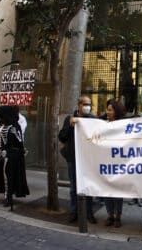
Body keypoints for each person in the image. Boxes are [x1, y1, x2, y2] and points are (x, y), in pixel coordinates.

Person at [58, 95, 98, 224]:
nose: (88, 107)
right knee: (74, 188)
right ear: (79, 105)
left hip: (88, 159)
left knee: (89, 186)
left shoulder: (92, 119)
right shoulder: (70, 119)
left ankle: (89, 212)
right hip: (73, 158)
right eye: (85, 104)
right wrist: (70, 126)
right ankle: (74, 212)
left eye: (89, 104)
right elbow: (62, 137)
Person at [0, 105, 29, 207]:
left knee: (7, 177)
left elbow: (19, 142)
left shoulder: (14, 126)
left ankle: (8, 198)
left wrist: (10, 151)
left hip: (8, 156)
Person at [104, 99, 127, 227]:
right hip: (106, 162)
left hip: (119, 163)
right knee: (107, 189)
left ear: (116, 112)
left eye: (110, 110)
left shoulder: (122, 125)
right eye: (107, 109)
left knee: (118, 190)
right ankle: (110, 215)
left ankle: (118, 216)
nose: (107, 112)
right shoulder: (102, 124)